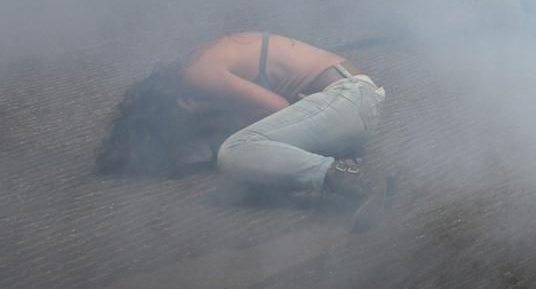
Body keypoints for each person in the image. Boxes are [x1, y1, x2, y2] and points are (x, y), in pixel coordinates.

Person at [95, 33, 390, 231]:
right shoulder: (208, 54)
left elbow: (276, 107)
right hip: (353, 105)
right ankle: (340, 173)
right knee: (250, 155)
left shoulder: (198, 74)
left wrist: (215, 135)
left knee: (234, 152)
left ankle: (346, 178)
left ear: (173, 107)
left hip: (347, 99)